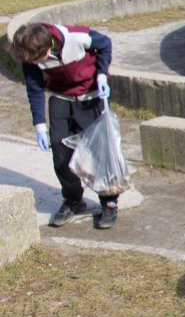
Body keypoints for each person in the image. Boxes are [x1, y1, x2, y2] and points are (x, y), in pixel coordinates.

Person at [10, 22, 118, 229]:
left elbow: (105, 44)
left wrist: (102, 74)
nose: (33, 63)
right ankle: (74, 201)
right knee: (60, 154)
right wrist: (40, 125)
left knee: (100, 153)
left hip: (91, 96)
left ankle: (109, 202)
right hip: (61, 97)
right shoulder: (29, 53)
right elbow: (34, 88)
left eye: (36, 59)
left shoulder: (76, 37)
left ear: (48, 47)